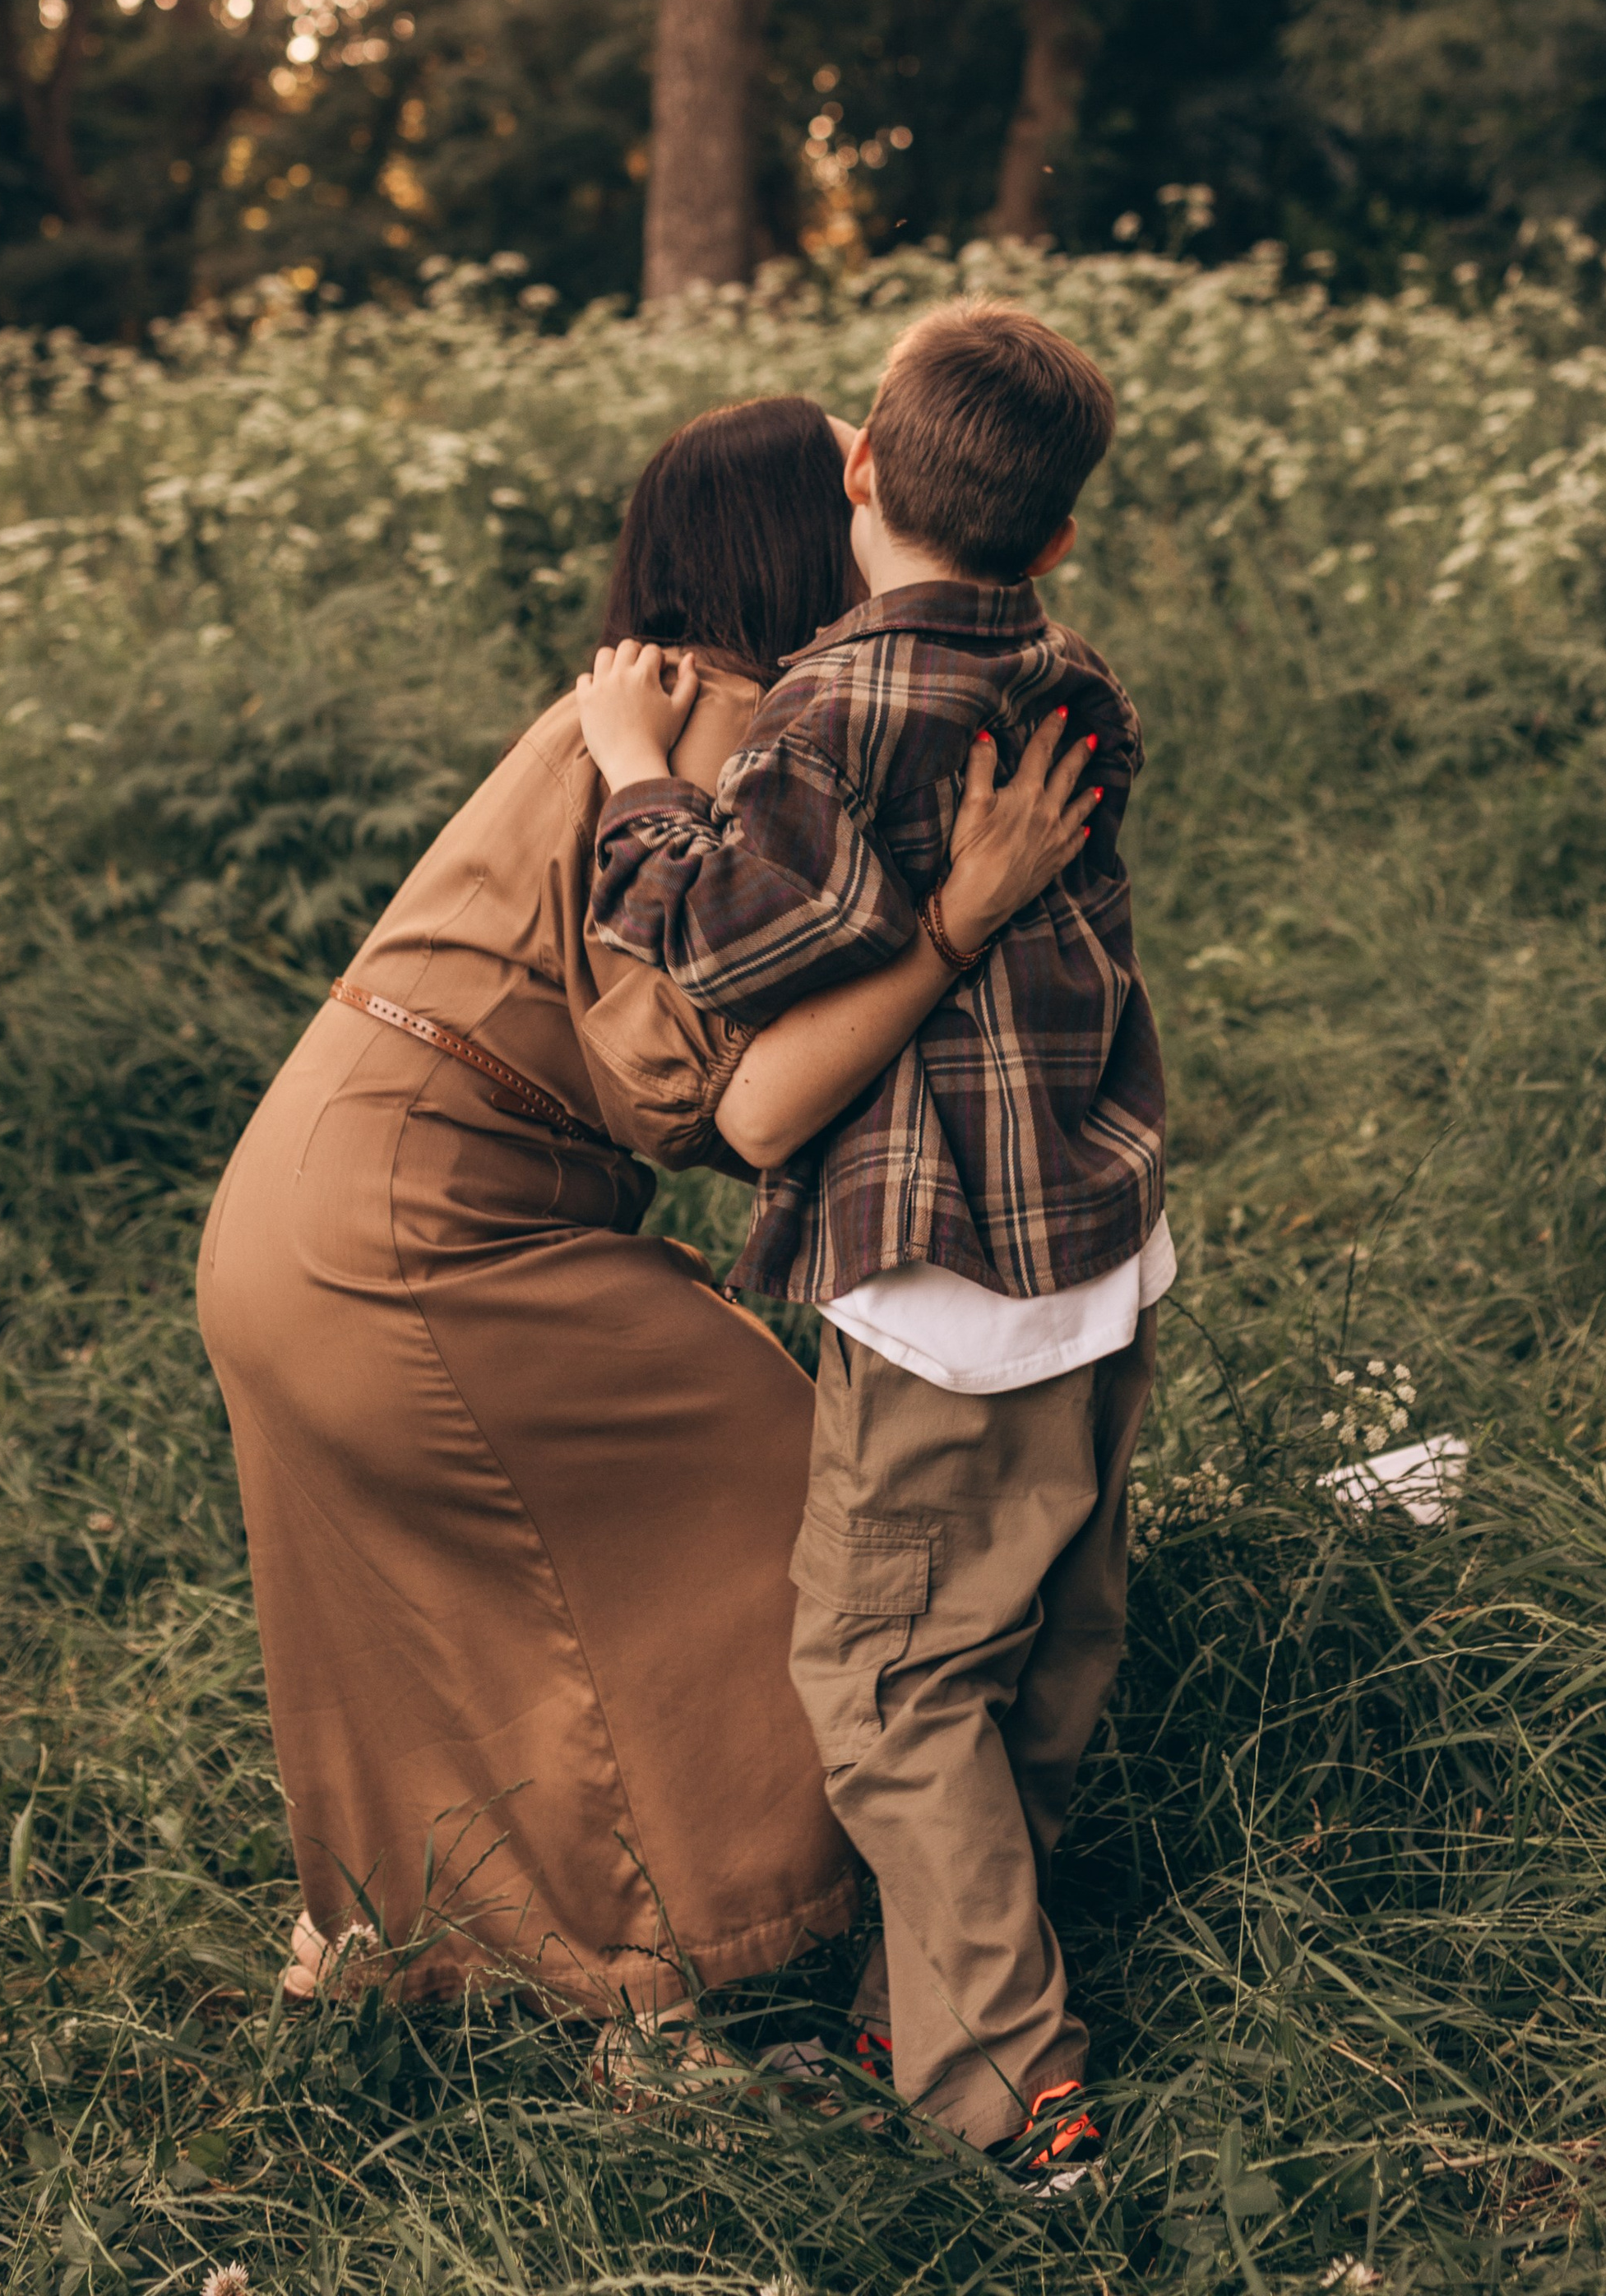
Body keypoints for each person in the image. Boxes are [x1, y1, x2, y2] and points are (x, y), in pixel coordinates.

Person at [197, 392, 1093, 2038]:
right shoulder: (724, 717)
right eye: (850, 481)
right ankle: (753, 1932)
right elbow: (681, 1090)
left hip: (300, 1208)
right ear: (804, 528)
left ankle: (418, 1951)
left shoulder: (656, 696)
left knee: (453, 1605)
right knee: (801, 1498)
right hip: (418, 1233)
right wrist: (958, 925)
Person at [575, 302, 1169, 2180]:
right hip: (1093, 1248)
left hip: (938, 1287)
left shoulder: (829, 710)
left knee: (891, 1690)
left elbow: (733, 938)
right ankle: (917, 2015)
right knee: (1040, 1644)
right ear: (1053, 533)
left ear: (855, 466)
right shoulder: (1074, 685)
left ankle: (1013, 2092)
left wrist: (636, 774)